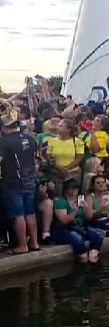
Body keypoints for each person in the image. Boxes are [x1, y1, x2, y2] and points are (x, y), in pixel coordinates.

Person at [0, 103, 41, 254]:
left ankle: (23, 245)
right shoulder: (30, 138)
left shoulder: (4, 142)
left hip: (13, 182)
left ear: (4, 128)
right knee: (29, 212)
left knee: (18, 215)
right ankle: (35, 243)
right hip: (30, 180)